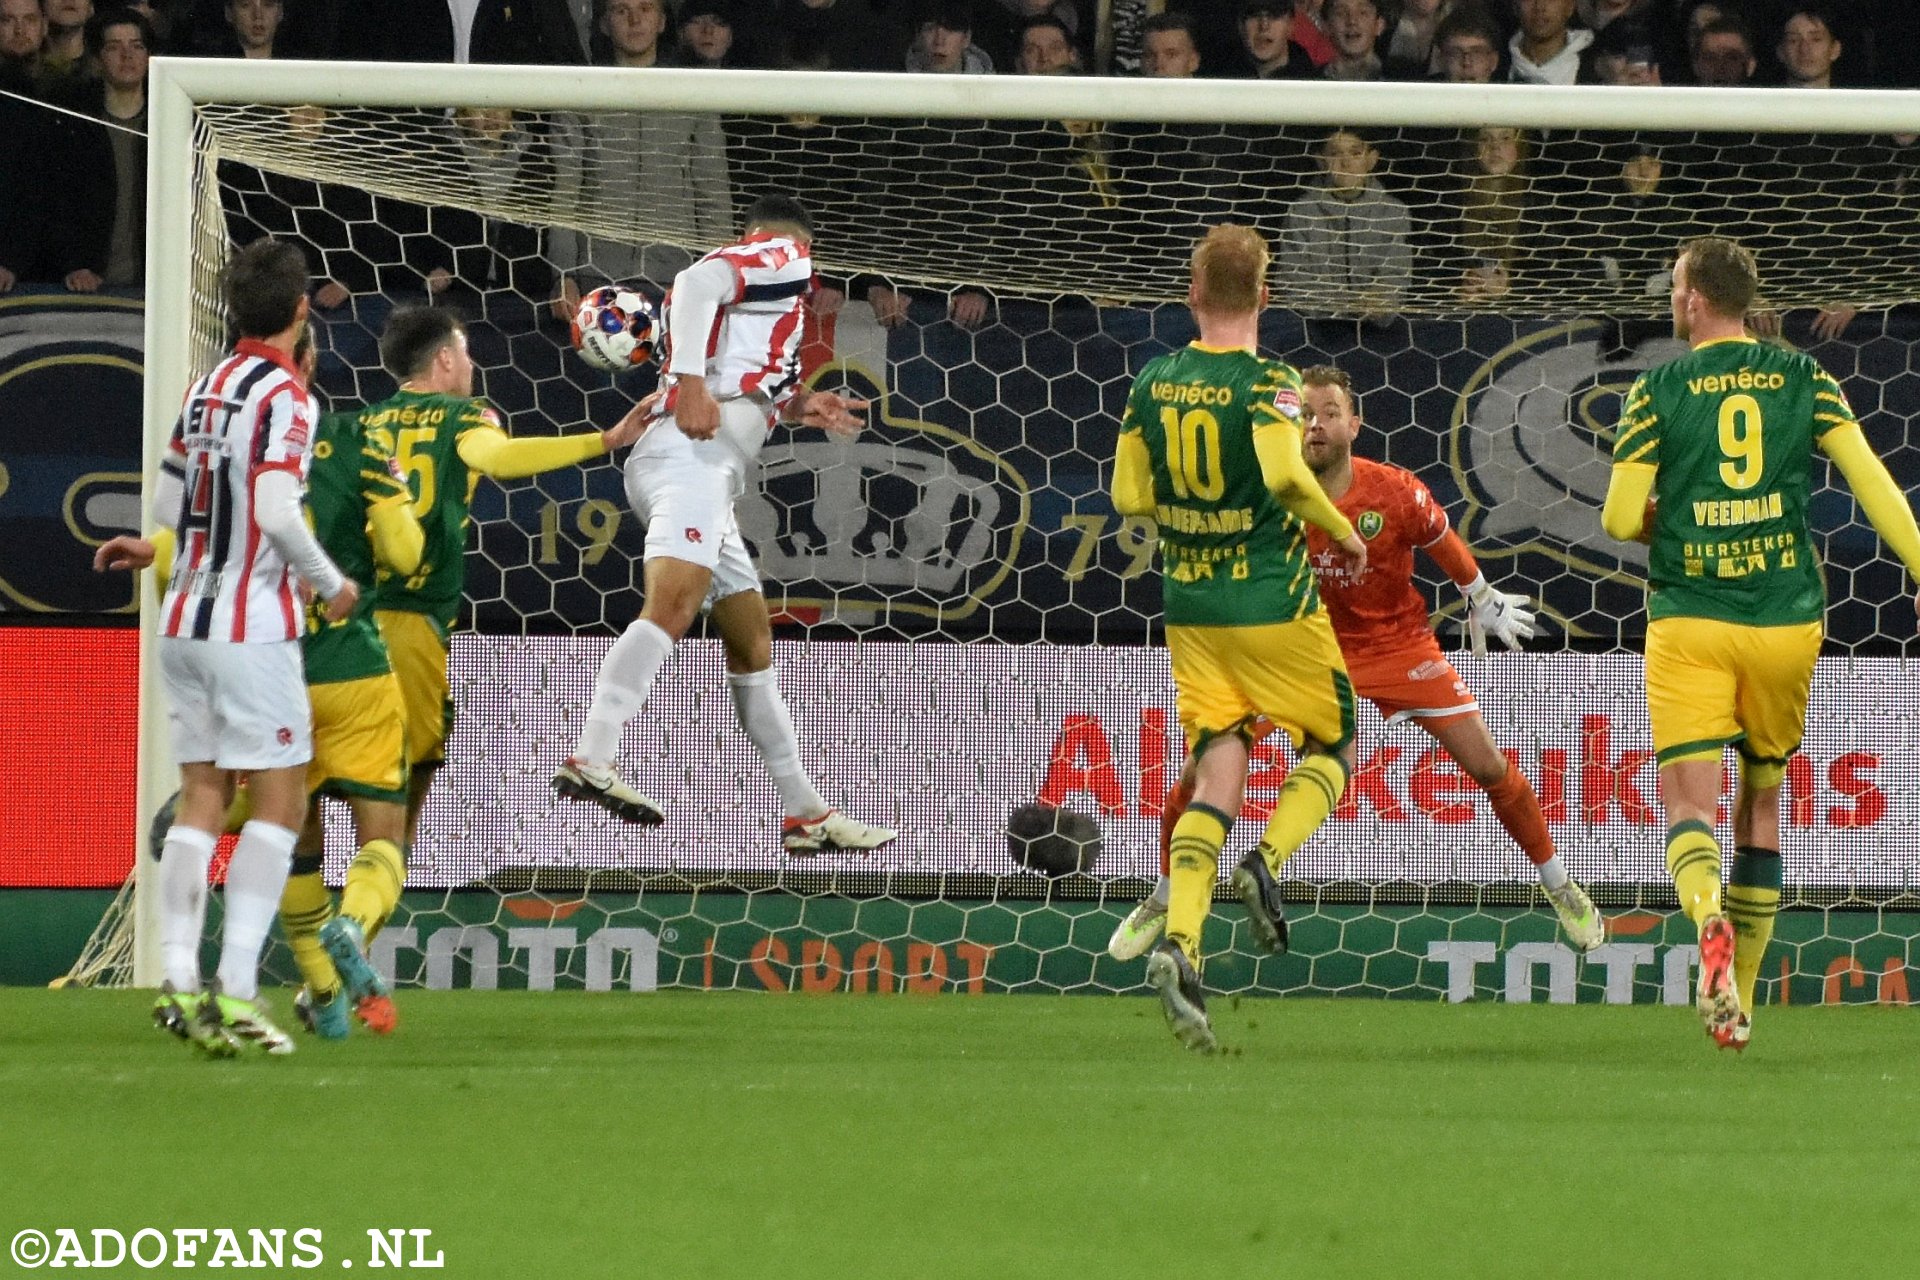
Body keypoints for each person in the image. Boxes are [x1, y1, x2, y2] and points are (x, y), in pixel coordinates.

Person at [1109, 367, 1606, 965]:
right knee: (1197, 774)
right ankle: (1166, 895)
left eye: (1329, 413)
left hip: (1398, 648)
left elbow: (1440, 536)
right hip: (1303, 651)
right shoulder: (1271, 493)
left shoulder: (1392, 490)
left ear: (1354, 424)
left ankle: (1557, 885)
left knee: (1491, 766)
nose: (1315, 424)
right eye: (1306, 414)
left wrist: (1482, 595)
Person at [1600, 236, 1920, 1050]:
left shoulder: (1658, 388)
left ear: (1697, 301)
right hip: (1785, 619)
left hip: (1692, 619)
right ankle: (1739, 999)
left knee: (1688, 804)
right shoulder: (1806, 377)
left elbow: (1612, 517)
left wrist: (1676, 519)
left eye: (1675, 286)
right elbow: (1873, 483)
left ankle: (1705, 919)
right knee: (1764, 796)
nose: (1671, 298)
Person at [553, 195, 898, 856]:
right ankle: (592, 755)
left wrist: (804, 407)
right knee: (673, 607)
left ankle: (805, 814)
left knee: (751, 641)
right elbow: (695, 281)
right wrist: (689, 386)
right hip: (689, 460)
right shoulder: (783, 257)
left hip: (708, 473)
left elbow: (755, 388)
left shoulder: (780, 313)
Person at [92, 238, 358, 1056]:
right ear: (302, 309)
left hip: (182, 622)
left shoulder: (207, 385)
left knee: (203, 796)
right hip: (252, 627)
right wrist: (328, 582)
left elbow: (173, 483)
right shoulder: (287, 393)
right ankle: (238, 992)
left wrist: (153, 543)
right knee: (280, 803)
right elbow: (277, 510)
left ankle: (175, 977)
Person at [1108, 222, 1368, 1052]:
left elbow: (1125, 495)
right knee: (1336, 742)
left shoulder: (1154, 379)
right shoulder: (1270, 381)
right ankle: (1269, 860)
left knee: (1220, 760)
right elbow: (1289, 475)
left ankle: (1184, 944)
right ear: (1264, 295)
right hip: (1271, 602)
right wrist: (1343, 532)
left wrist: (1191, 513)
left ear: (1192, 293)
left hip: (1189, 606)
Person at [361, 306, 645, 875]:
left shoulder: (365, 424)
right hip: (410, 615)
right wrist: (605, 440)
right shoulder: (463, 417)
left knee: (335, 765)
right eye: (464, 350)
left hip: (347, 614)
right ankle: (371, 890)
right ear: (444, 359)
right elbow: (500, 459)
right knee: (409, 771)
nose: (471, 361)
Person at [1280, 128, 1412, 322]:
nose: (1346, 163)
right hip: (1316, 327)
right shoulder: (1301, 212)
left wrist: (1378, 300)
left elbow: (1396, 273)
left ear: (1372, 159)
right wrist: (1342, 307)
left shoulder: (1394, 212)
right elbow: (1293, 277)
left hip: (1377, 327)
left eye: (1355, 153)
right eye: (1335, 154)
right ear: (1321, 161)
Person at [1508, 0, 1592, 86]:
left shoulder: (1597, 70)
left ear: (1570, 6)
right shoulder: (1498, 65)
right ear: (1515, 5)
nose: (1539, 7)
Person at [1321, 0, 1387, 80]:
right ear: (1326, 27)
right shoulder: (1309, 82)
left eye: (1363, 12)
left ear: (1379, 25)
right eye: (1341, 13)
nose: (1352, 21)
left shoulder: (1399, 80)